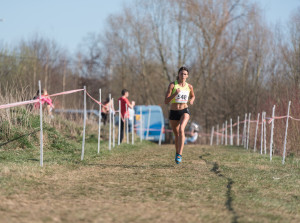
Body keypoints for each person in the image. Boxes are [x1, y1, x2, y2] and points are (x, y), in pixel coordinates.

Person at [164, 66, 195, 164]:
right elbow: (166, 101)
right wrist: (175, 94)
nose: (183, 75)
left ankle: (180, 154)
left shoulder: (189, 86)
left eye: (185, 74)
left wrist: (192, 99)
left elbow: (193, 95)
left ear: (187, 76)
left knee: (182, 129)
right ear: (178, 74)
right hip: (173, 112)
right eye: (181, 73)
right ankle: (177, 153)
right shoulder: (173, 85)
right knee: (176, 135)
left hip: (184, 110)